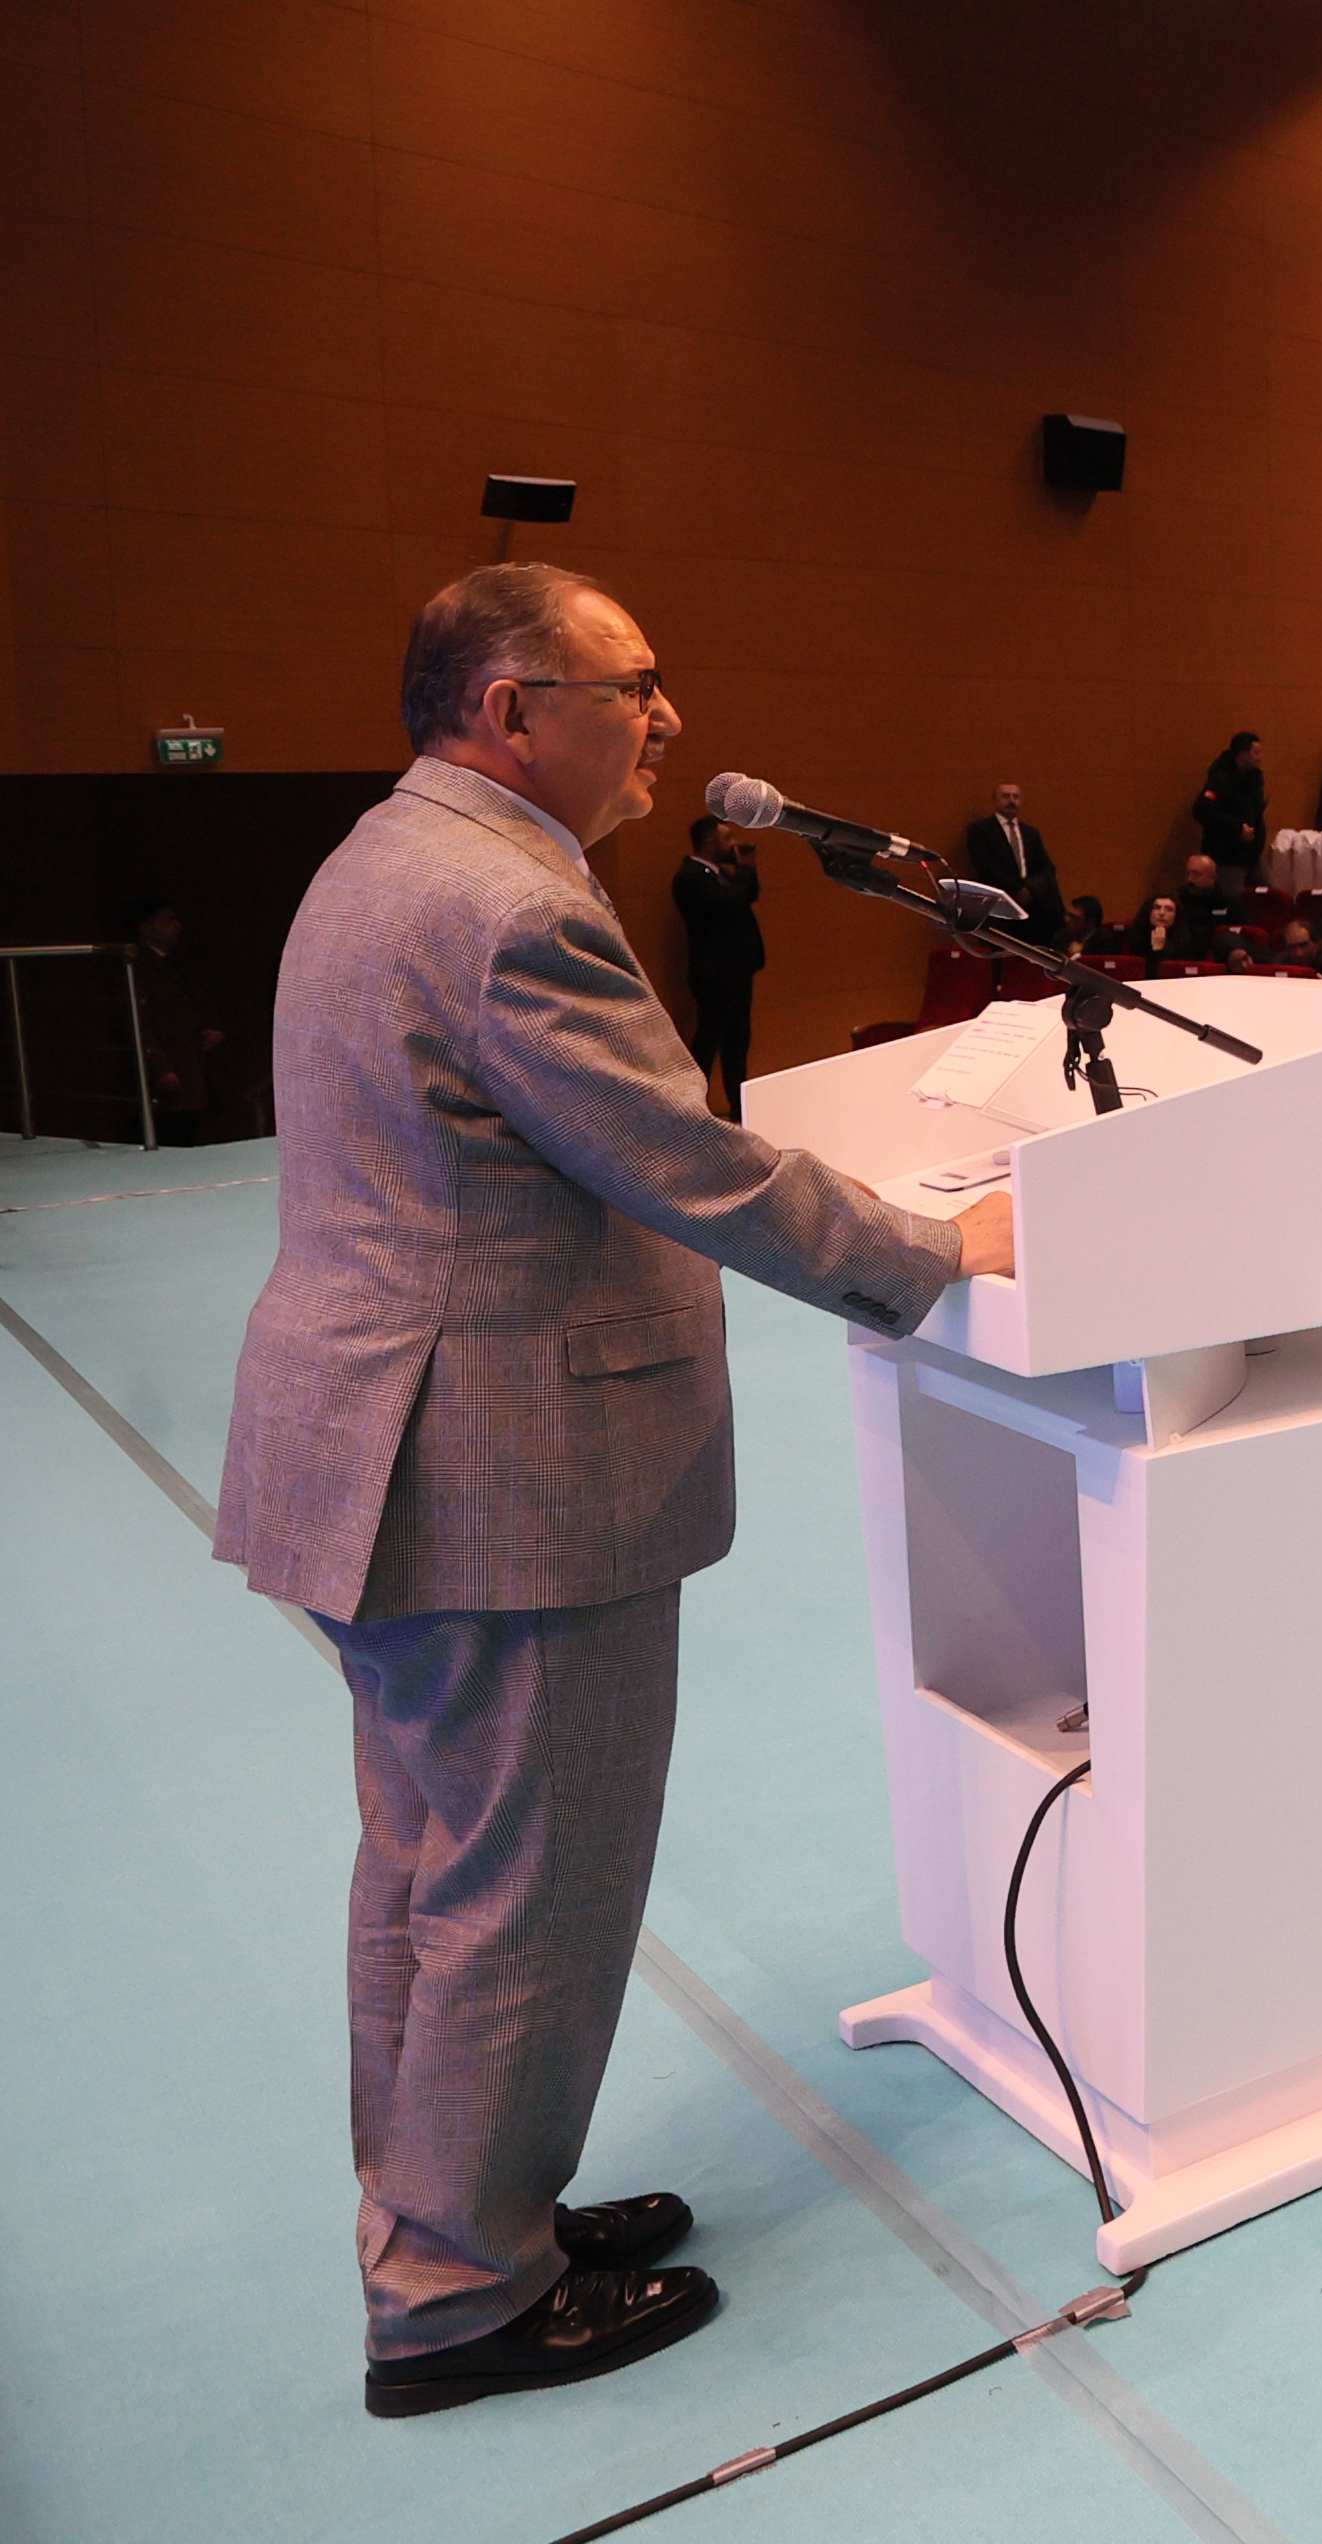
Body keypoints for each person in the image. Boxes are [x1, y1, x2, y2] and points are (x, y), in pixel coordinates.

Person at [217, 562, 1014, 2418]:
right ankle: (458, 2297)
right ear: (511, 710)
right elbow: (692, 1167)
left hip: (374, 1451)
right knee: (530, 1883)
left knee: (429, 1866)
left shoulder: (389, 856)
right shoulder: (509, 906)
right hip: (497, 1474)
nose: (666, 717)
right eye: (630, 683)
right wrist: (931, 1247)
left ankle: (447, 2208)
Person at [665, 814, 763, 1118]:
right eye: (727, 838)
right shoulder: (690, 877)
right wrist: (746, 869)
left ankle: (739, 1107)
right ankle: (691, 1107)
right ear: (710, 842)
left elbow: (749, 896)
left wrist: (745, 871)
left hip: (735, 971)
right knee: (709, 1041)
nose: (733, 845)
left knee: (737, 1040)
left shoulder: (720, 874)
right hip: (714, 974)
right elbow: (730, 905)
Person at [955, 780, 1064, 947]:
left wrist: (1030, 890)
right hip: (999, 906)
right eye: (1005, 796)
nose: (1011, 801)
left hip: (1032, 910)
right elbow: (985, 866)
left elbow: (1047, 868)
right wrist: (1017, 891)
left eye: (1016, 797)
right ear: (995, 801)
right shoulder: (981, 830)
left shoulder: (1030, 833)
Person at [1190, 732, 1264, 870]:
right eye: (1256, 753)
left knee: (1272, 890)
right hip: (1226, 855)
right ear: (1243, 755)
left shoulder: (1253, 780)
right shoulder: (1221, 779)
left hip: (1251, 854)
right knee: (1233, 891)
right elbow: (1201, 810)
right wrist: (1237, 828)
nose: (1259, 758)